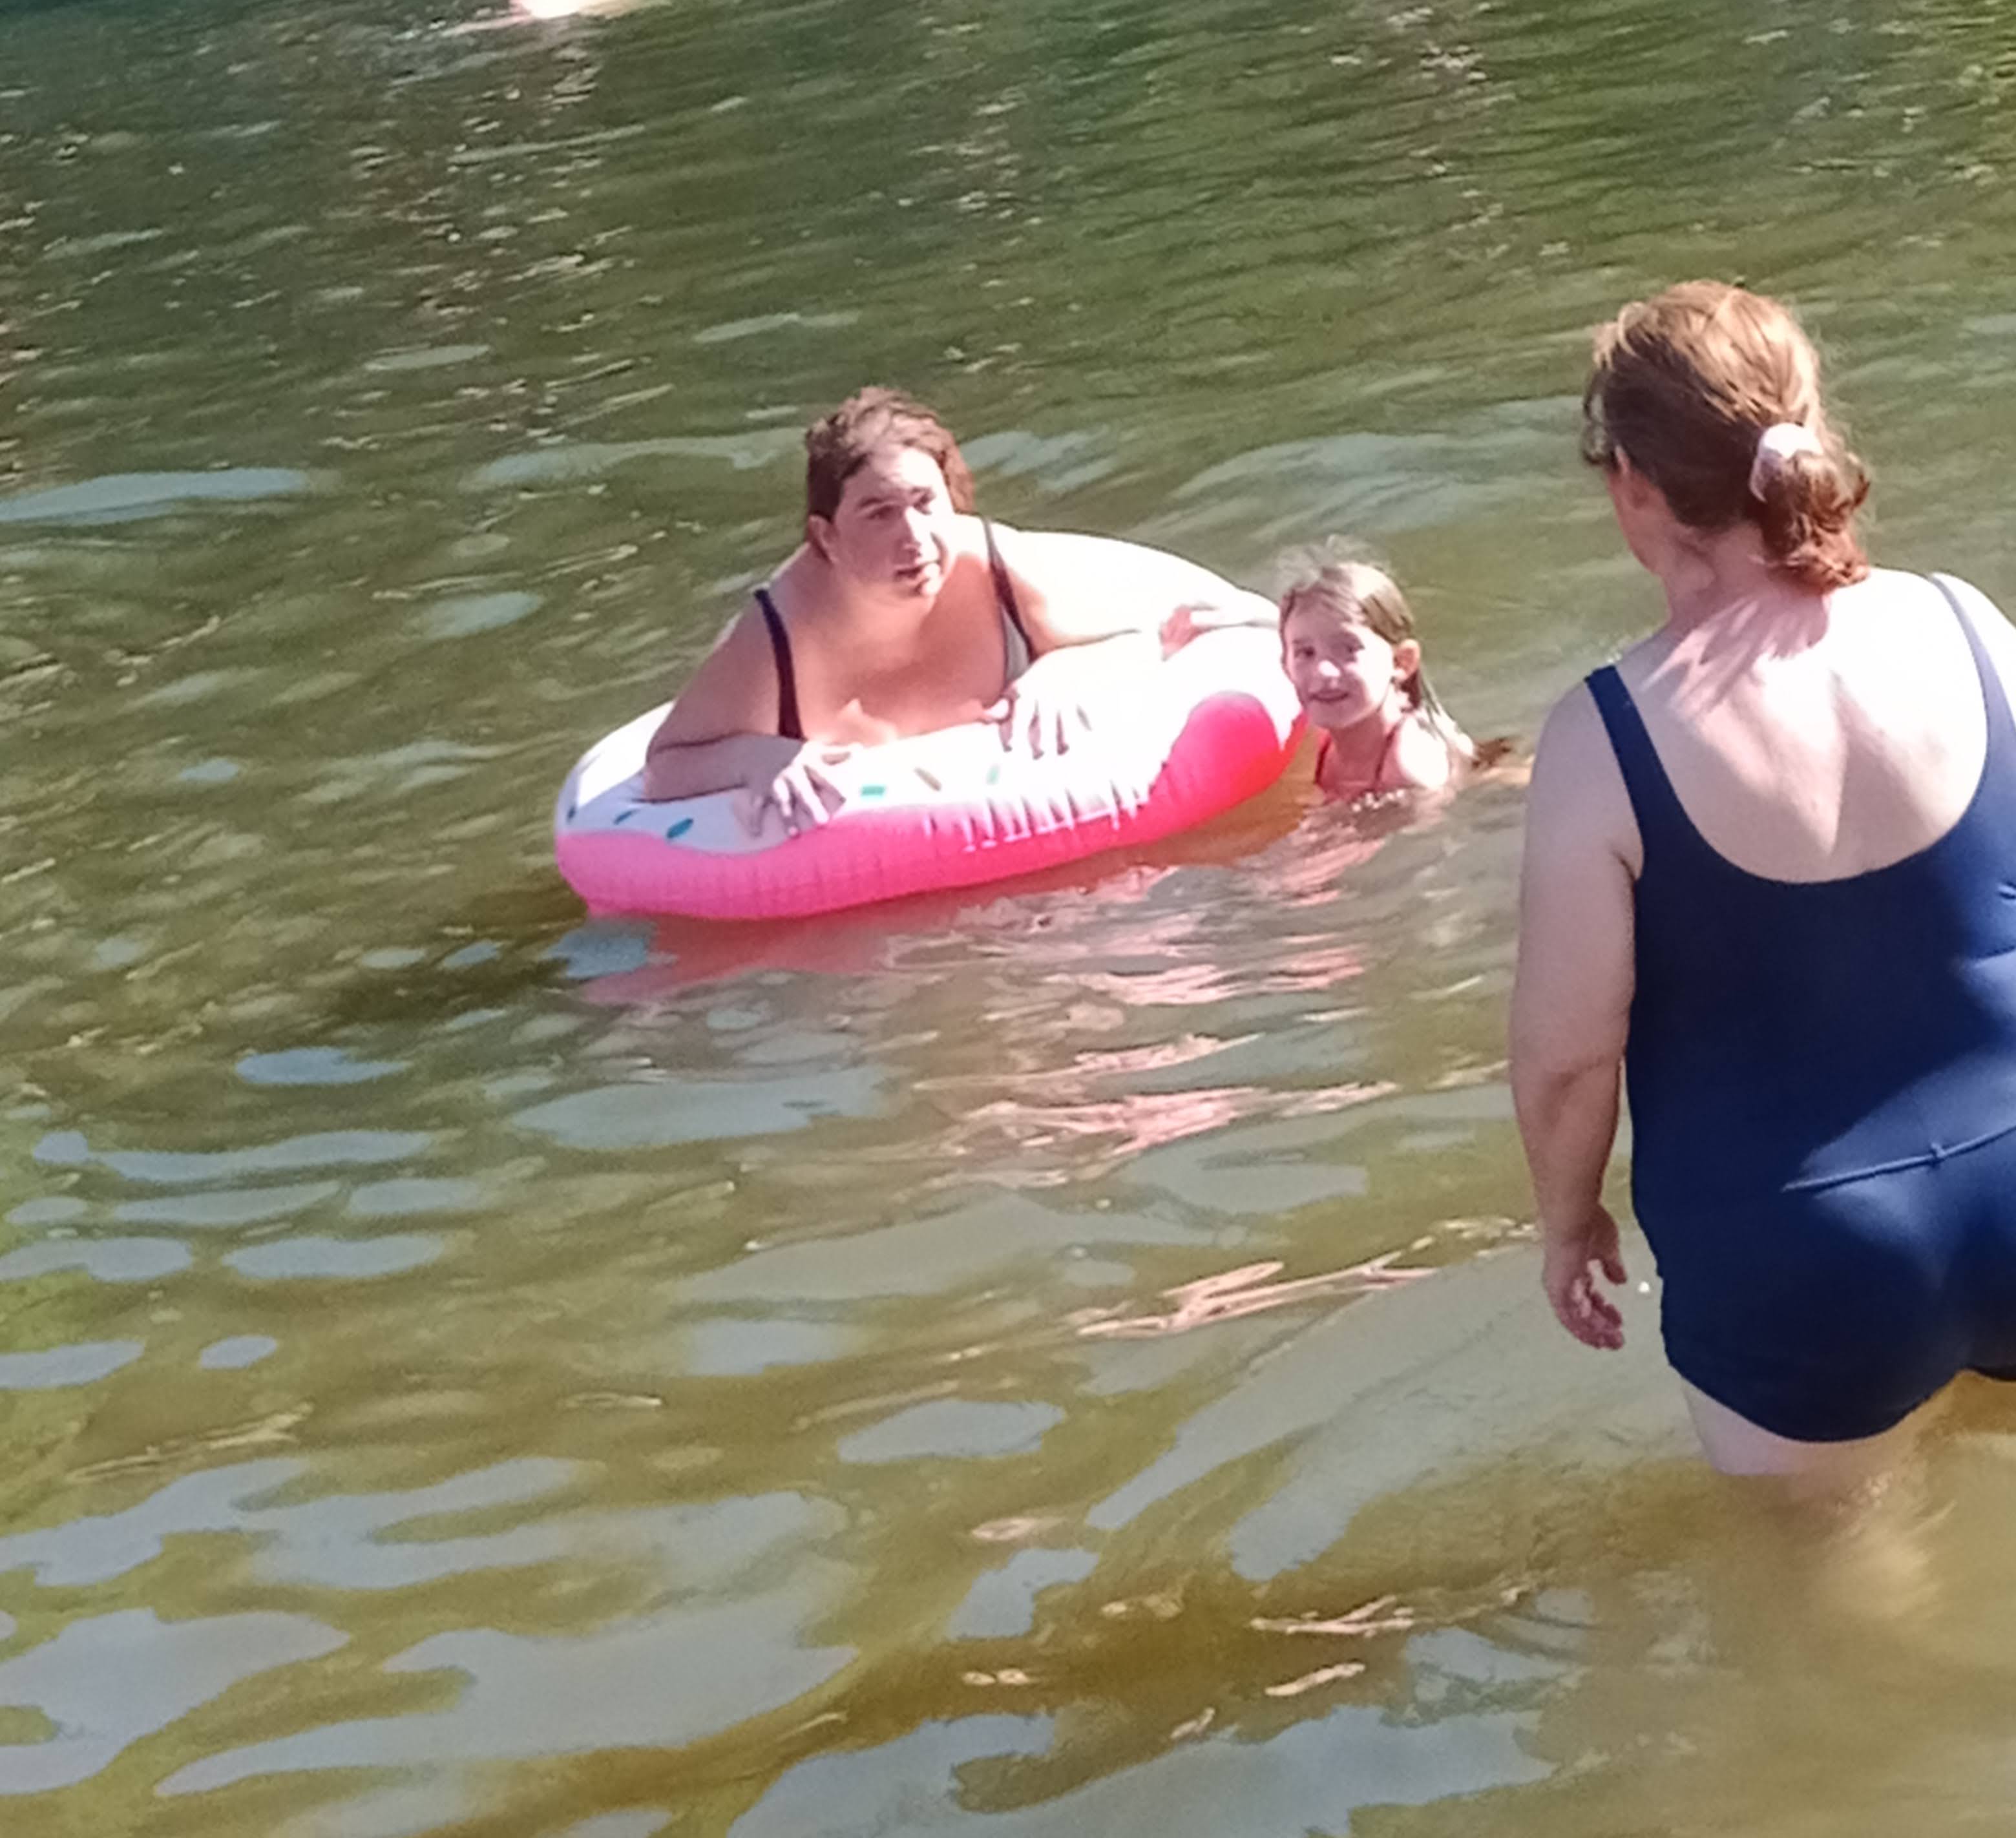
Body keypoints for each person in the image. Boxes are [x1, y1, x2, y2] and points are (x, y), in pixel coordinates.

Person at [1510, 281, 2016, 1487]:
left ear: (1633, 484)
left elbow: (1570, 1058)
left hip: (1799, 1248)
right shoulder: (1967, 625)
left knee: (1832, 1583)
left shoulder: (1605, 736)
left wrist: (1568, 1224)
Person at [642, 387, 1277, 835]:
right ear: (825, 537)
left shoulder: (992, 565)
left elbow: (1141, 640)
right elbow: (665, 766)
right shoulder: (778, 633)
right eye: (879, 513)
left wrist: (1061, 671)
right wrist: (753, 758)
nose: (914, 537)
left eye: (926, 503)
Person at [1277, 554, 1493, 801]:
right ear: (1285, 666)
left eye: (1348, 649)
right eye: (1306, 653)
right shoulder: (1310, 742)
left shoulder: (1412, 766)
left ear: (1401, 661)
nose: (1323, 670)